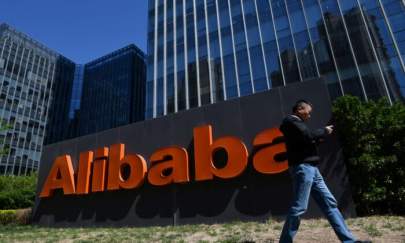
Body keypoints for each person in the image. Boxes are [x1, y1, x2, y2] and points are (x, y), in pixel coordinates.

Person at [278, 100, 370, 243]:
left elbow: (306, 140)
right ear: (299, 109)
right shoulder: (290, 121)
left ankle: (349, 241)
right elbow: (308, 136)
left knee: (330, 204)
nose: (309, 116)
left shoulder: (297, 125)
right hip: (303, 168)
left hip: (312, 170)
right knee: (299, 207)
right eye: (308, 112)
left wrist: (319, 138)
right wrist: (324, 131)